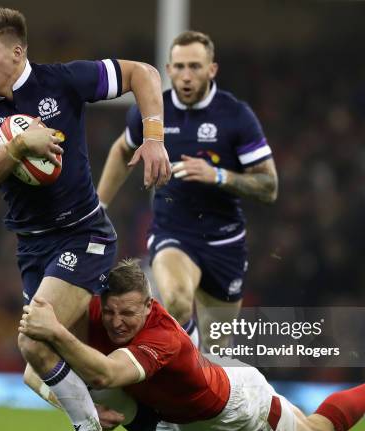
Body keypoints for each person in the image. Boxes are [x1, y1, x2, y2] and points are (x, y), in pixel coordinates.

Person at [0, 8, 171, 431]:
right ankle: (138, 422)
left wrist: (153, 136)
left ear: (17, 51)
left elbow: (143, 73)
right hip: (32, 248)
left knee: (34, 338)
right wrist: (16, 147)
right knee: (37, 368)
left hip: (83, 232)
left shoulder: (64, 81)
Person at [18, 259, 365, 431]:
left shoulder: (163, 336)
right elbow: (34, 372)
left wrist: (56, 331)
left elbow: (105, 374)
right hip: (172, 417)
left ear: (148, 306)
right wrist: (82, 410)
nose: (117, 322)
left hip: (236, 404)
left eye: (128, 313)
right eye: (109, 312)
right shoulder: (96, 314)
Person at [97, 31, 278, 350]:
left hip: (225, 241)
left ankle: (202, 373)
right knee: (178, 303)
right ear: (168, 69)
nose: (186, 75)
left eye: (195, 66)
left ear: (212, 70)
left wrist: (219, 175)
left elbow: (269, 186)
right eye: (179, 67)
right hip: (173, 232)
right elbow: (122, 150)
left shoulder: (236, 116)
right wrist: (99, 207)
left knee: (217, 348)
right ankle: (175, 377)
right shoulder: (153, 111)